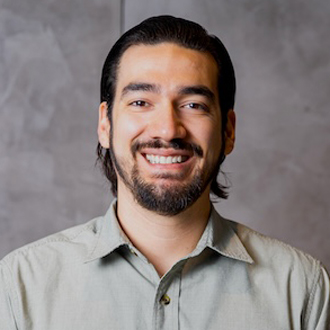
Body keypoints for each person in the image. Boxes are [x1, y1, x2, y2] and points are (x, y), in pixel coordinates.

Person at [0, 15, 329, 330]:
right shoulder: (20, 287)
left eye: (193, 105)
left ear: (228, 131)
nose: (168, 129)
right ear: (105, 124)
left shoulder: (302, 288)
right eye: (141, 102)